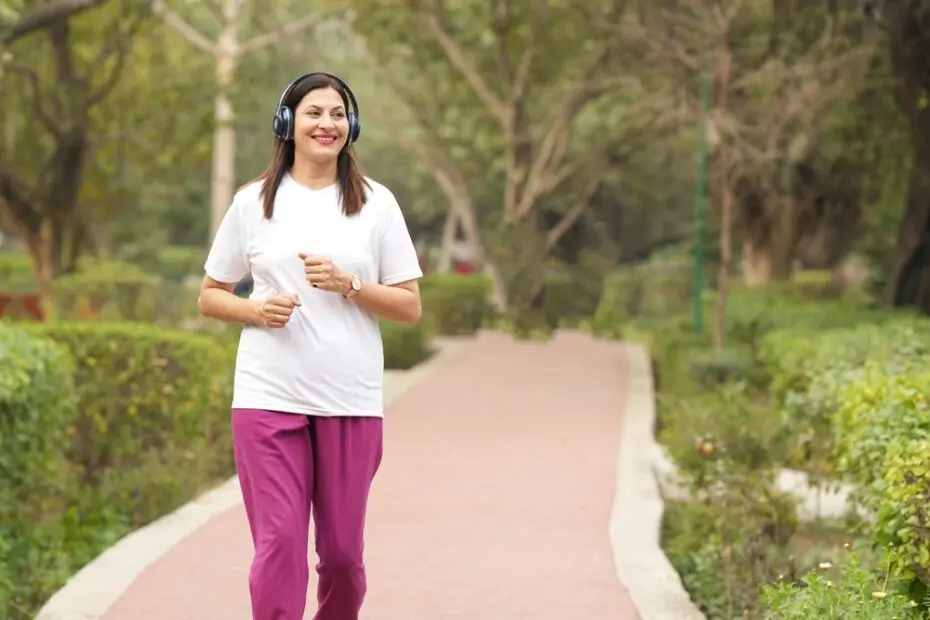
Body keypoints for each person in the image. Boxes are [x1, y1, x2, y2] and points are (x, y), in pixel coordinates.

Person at [197, 72, 423, 620]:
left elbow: (409, 307)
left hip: (349, 398)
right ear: (287, 124)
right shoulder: (254, 203)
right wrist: (256, 309)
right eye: (314, 113)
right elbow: (210, 295)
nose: (327, 124)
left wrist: (350, 284)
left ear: (353, 125)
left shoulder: (376, 204)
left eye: (338, 113)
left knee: (343, 556)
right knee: (279, 546)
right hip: (267, 395)